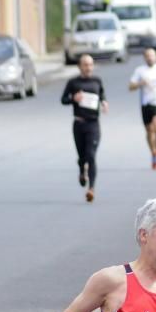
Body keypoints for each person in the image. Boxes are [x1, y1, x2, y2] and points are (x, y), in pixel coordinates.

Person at [61, 54, 108, 202]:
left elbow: (102, 96)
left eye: (90, 64)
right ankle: (82, 170)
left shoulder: (97, 81)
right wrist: (73, 99)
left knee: (91, 155)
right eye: (85, 65)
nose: (88, 67)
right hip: (79, 123)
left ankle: (91, 188)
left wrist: (104, 103)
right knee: (82, 156)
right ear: (80, 66)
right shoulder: (73, 82)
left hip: (93, 123)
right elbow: (63, 99)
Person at [128, 48, 156, 170]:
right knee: (149, 131)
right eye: (148, 56)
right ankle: (153, 152)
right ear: (145, 58)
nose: (150, 58)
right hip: (145, 103)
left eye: (152, 55)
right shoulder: (140, 71)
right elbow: (130, 86)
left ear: (155, 57)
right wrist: (140, 83)